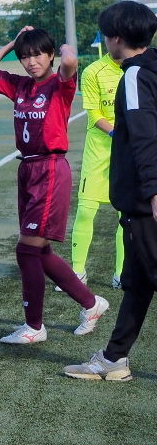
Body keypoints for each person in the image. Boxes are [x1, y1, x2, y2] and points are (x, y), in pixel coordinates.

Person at [0, 27, 106, 343]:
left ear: (49, 55)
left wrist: (63, 47)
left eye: (37, 55)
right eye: (25, 56)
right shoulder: (20, 85)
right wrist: (14, 42)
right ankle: (91, 304)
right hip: (28, 169)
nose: (31, 62)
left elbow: (70, 62)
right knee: (41, 251)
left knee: (26, 250)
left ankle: (34, 327)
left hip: (50, 169)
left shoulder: (59, 85)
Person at [65, 1, 157, 381]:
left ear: (116, 38)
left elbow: (144, 134)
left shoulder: (134, 75)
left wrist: (153, 189)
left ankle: (113, 358)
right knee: (137, 283)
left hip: (143, 200)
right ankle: (113, 358)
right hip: (141, 198)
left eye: (105, 35)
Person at [70, 35, 125, 290]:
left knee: (128, 215)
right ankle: (77, 271)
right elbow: (93, 113)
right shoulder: (93, 71)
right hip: (99, 150)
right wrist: (117, 133)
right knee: (85, 210)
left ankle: (121, 274)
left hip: (131, 152)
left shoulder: (140, 70)